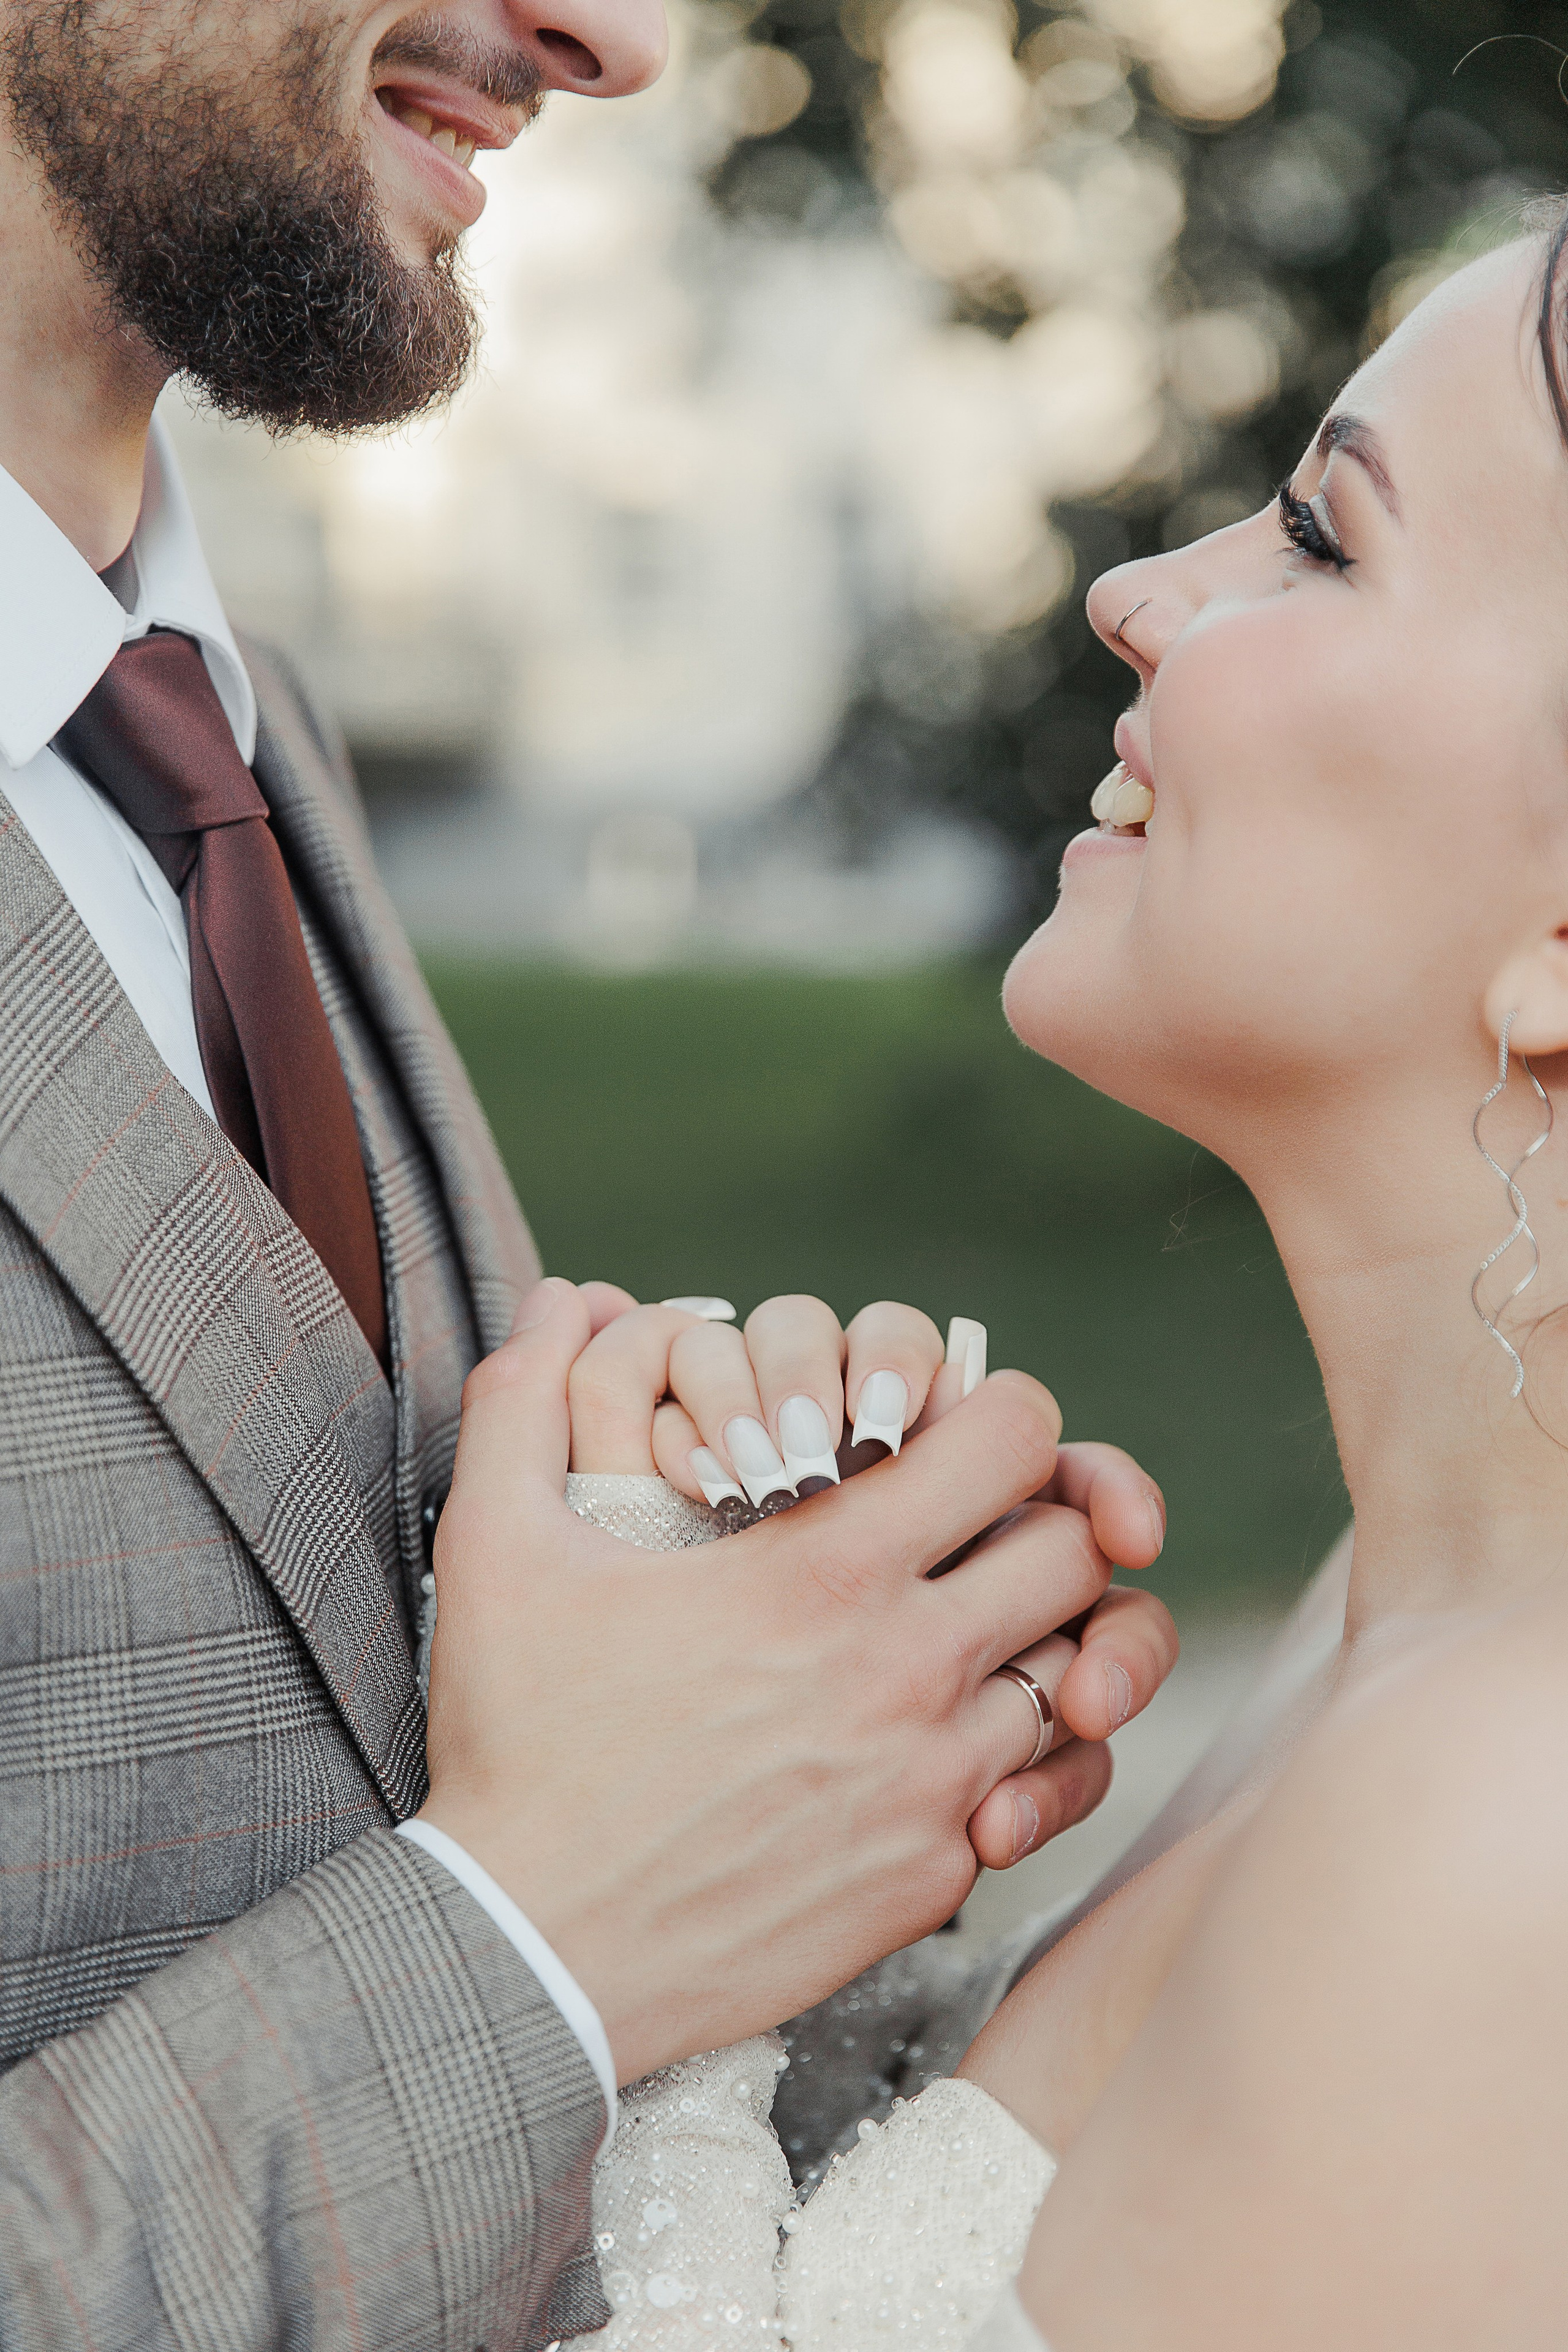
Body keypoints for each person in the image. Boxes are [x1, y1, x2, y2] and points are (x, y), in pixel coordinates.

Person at [0, 6, 1184, 2346]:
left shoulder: (220, 747)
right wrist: (545, 1925)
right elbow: (510, 1918)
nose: (608, 44)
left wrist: (784, 1728)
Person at [479, 216, 1568, 2349]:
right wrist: (762, 1723)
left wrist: (609, 1915)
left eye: (1325, 543)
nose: (1140, 596)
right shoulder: (1396, 1604)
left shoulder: (1504, 1851)